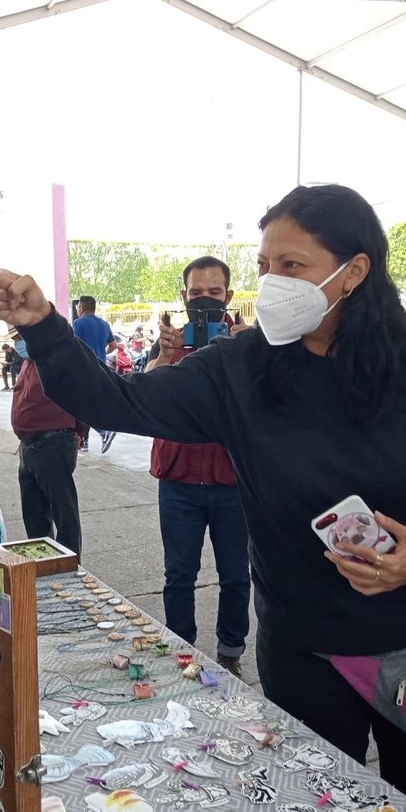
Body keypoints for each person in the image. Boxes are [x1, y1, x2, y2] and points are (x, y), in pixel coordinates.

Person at [0, 184, 406, 812]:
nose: (273, 282)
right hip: (305, 653)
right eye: (265, 266)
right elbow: (117, 401)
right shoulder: (241, 370)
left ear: (354, 271)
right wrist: (44, 328)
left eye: (293, 266)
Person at [142, 256, 251, 679]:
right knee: (179, 574)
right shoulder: (169, 343)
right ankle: (181, 651)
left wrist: (248, 352)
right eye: (197, 293)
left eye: (215, 293)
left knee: (236, 576)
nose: (205, 301)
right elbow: (144, 394)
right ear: (183, 296)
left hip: (232, 482)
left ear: (229, 296)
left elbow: (267, 403)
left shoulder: (246, 345)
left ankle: (230, 652)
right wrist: (166, 355)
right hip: (178, 480)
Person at [10, 333, 82, 557]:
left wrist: (79, 431)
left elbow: (82, 395)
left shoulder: (55, 361)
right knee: (34, 515)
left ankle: (70, 569)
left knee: (64, 514)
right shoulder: (28, 363)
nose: (18, 344)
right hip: (29, 447)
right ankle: (44, 565)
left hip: (52, 443)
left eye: (22, 338)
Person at [71, 295, 117, 453]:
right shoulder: (104, 324)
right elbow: (113, 345)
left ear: (81, 308)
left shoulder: (78, 323)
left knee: (82, 405)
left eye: (78, 308)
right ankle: (86, 441)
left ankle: (103, 431)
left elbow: (74, 346)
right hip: (101, 369)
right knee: (91, 403)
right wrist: (102, 353)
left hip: (84, 368)